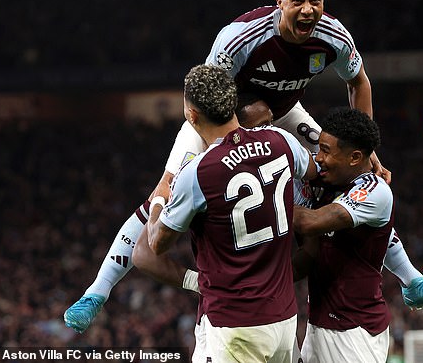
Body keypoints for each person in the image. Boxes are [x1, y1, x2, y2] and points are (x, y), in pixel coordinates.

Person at [64, 0, 423, 333]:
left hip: (285, 115)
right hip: (222, 119)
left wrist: (367, 144)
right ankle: (96, 291)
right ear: (280, 4)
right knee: (164, 192)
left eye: (316, 0)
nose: (308, 10)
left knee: (355, 178)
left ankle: (412, 280)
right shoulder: (241, 38)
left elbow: (359, 82)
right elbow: (206, 97)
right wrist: (240, 117)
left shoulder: (334, 37)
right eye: (298, 1)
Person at [132, 64, 317, 362]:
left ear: (192, 116)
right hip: (284, 320)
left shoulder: (198, 173)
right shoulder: (281, 141)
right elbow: (311, 168)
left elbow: (156, 243)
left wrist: (160, 197)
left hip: (235, 327)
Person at [292, 108, 393, 362]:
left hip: (353, 333)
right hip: (319, 323)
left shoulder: (374, 191)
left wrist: (266, 191)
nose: (319, 158)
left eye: (326, 150)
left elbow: (309, 222)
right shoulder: (332, 184)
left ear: (354, 157)